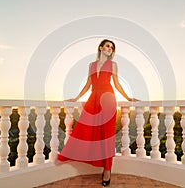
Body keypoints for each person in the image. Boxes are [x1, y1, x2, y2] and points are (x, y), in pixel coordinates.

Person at [57, 39, 138, 186]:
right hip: (93, 99)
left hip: (108, 100)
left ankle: (107, 169)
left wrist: (128, 97)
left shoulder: (113, 65)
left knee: (106, 135)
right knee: (85, 129)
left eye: (112, 48)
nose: (109, 49)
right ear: (101, 47)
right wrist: (76, 98)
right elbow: (88, 84)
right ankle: (80, 155)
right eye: (107, 46)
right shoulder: (91, 65)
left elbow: (117, 83)